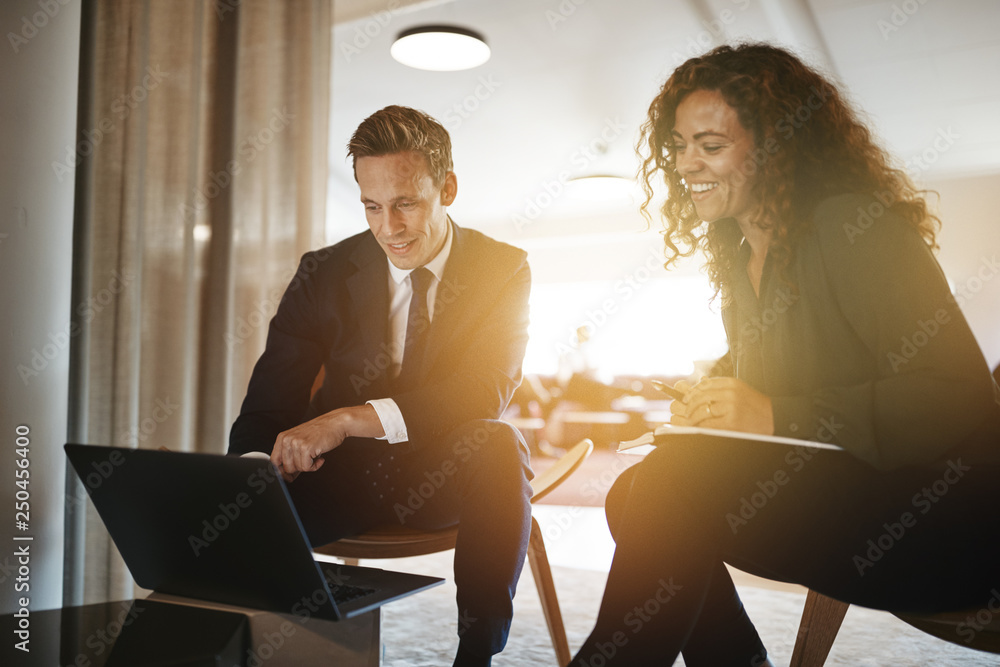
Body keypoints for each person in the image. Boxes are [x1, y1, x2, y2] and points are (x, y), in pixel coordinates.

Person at [570, 43, 1000, 666]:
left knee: (666, 486)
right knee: (632, 491)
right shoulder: (741, 258)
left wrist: (775, 415)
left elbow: (957, 395)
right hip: (852, 493)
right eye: (679, 146)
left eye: (711, 146)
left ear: (778, 148)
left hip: (943, 519)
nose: (688, 164)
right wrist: (714, 397)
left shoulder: (856, 226)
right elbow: (777, 367)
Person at [229, 105, 533, 667]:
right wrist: (249, 474)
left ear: (448, 187)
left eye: (406, 204)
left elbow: (482, 390)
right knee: (225, 509)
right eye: (372, 206)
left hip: (443, 477)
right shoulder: (323, 272)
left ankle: (477, 656)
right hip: (339, 477)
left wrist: (346, 418)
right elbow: (271, 397)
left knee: (498, 443)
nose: (388, 228)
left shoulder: (504, 269)